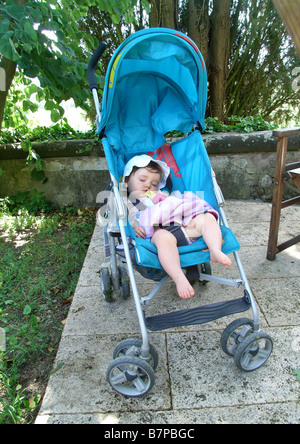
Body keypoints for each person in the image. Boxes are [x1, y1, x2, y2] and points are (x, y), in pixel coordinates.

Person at [122, 155, 232, 299]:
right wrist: (134, 226)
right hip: (160, 231)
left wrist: (170, 201)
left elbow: (176, 205)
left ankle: (215, 250)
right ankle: (179, 278)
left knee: (206, 218)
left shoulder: (162, 194)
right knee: (163, 239)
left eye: (154, 184)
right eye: (142, 180)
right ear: (126, 181)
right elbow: (137, 215)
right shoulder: (131, 198)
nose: (148, 185)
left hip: (184, 227)